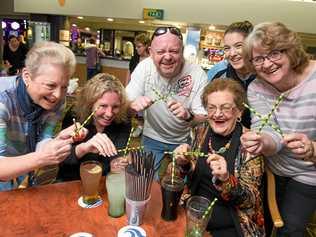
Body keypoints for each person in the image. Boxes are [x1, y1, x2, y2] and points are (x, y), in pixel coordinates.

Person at [241, 22, 316, 237]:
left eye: (274, 53)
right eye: (258, 59)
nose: (267, 64)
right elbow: (267, 130)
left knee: (291, 229)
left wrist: (312, 148)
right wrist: (262, 141)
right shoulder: (257, 87)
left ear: (290, 50)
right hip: (273, 168)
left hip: (309, 171)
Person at [171, 79, 265, 237]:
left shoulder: (250, 144)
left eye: (226, 108)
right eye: (211, 108)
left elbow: (250, 201)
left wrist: (227, 179)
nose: (217, 114)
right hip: (194, 210)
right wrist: (183, 164)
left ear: (239, 111)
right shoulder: (200, 131)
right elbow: (182, 177)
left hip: (231, 220)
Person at [126, 26, 208, 177]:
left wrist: (188, 116)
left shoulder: (197, 74)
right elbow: (124, 108)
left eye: (174, 51)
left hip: (183, 140)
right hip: (151, 136)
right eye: (161, 52)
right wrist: (131, 107)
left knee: (182, 185)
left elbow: (203, 118)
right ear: (150, 52)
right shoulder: (144, 68)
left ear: (182, 50)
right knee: (146, 182)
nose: (168, 57)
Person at [0, 41, 82, 191]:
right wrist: (41, 158)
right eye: (50, 86)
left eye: (64, 87)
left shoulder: (56, 101)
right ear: (26, 76)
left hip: (21, 168)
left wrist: (59, 140)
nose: (57, 95)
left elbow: (43, 139)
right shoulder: (2, 100)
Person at [58, 73, 132, 181]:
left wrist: (119, 162)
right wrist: (83, 148)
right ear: (90, 103)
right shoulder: (74, 116)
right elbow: (61, 161)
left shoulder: (123, 121)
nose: (109, 114)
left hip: (103, 181)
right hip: (71, 181)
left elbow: (116, 157)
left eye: (115, 106)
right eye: (103, 106)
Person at [207, 21, 255, 129]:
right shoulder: (218, 73)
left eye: (238, 46)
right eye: (227, 48)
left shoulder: (265, 74)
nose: (232, 54)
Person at [127, 33, 151, 138]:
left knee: (146, 111)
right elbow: (129, 73)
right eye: (136, 46)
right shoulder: (134, 59)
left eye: (139, 46)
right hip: (135, 88)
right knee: (137, 112)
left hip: (147, 89)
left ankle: (146, 128)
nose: (137, 49)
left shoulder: (151, 59)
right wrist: (126, 85)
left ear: (146, 46)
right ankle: (140, 126)